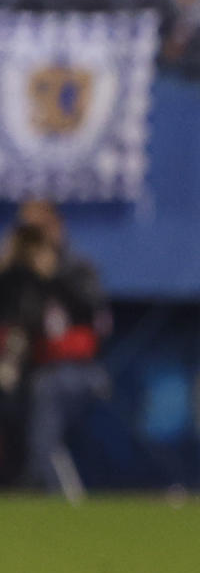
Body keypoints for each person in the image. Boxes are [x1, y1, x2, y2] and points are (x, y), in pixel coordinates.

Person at [0, 200, 111, 495]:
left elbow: (95, 315)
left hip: (75, 372)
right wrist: (10, 266)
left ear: (56, 227)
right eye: (26, 229)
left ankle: (54, 488)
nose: (33, 236)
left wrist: (53, 272)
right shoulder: (17, 275)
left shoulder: (76, 269)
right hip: (25, 372)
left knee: (45, 389)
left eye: (40, 228)